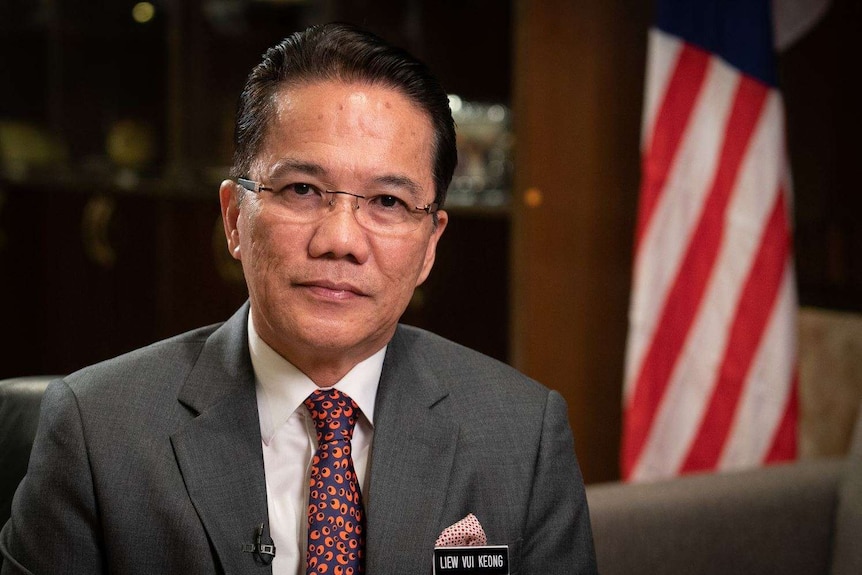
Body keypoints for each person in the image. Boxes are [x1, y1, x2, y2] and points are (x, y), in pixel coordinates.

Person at [0, 23, 597, 574]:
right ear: (235, 219)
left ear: (430, 244)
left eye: (387, 202)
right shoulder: (96, 432)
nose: (340, 240)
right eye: (303, 189)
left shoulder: (523, 438)